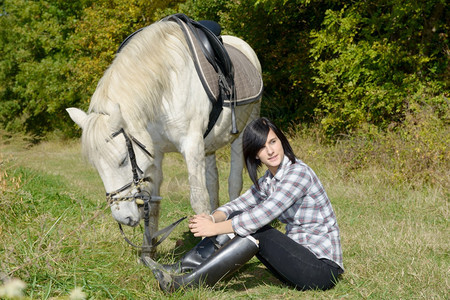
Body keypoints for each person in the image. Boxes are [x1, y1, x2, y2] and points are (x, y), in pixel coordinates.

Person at [146, 117, 344, 292]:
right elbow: (240, 204)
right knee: (239, 219)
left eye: (273, 142)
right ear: (255, 154)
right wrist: (213, 217)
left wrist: (214, 228)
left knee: (258, 229)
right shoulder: (269, 179)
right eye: (262, 147)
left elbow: (263, 215)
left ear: (282, 141)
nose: (270, 150)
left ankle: (185, 284)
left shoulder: (298, 173)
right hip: (298, 261)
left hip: (322, 270)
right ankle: (184, 265)